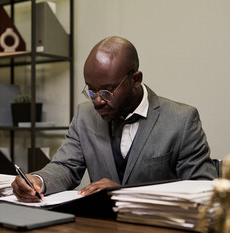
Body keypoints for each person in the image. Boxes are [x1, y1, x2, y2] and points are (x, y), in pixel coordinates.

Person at [11, 36, 218, 202]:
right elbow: (65, 167)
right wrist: (36, 180)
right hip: (97, 229)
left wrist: (127, 194)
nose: (97, 101)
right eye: (91, 91)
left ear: (136, 79)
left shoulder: (181, 120)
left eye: (107, 91)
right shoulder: (84, 115)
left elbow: (203, 189)